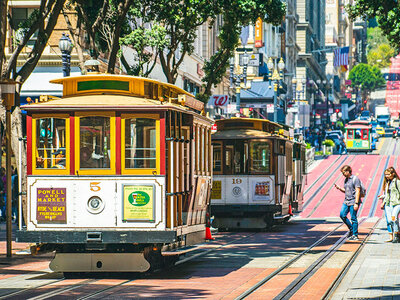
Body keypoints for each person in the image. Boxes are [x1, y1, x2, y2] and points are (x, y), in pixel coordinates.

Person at [334, 165, 361, 240]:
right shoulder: (346, 179)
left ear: (348, 171)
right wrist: (339, 188)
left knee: (353, 218)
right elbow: (346, 190)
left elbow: (358, 190)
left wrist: (356, 203)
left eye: (344, 173)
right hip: (346, 201)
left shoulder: (355, 179)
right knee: (342, 215)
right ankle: (352, 230)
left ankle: (355, 235)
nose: (343, 174)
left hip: (353, 201)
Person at [379, 167, 400, 243]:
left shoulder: (397, 182)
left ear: (393, 174)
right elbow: (387, 194)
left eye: (388, 174)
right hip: (389, 203)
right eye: (385, 175)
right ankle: (397, 233)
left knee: (394, 218)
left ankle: (396, 235)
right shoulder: (388, 183)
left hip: (397, 203)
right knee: (391, 220)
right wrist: (383, 201)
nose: (386, 176)